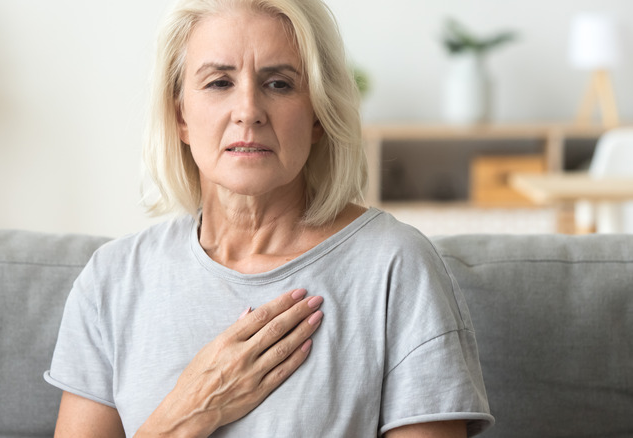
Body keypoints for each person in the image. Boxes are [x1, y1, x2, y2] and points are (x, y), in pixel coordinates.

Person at [44, 0, 494, 436]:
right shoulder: (111, 280)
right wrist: (187, 414)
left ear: (318, 114)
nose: (248, 112)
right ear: (180, 113)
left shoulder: (396, 266)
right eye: (219, 82)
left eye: (278, 84)